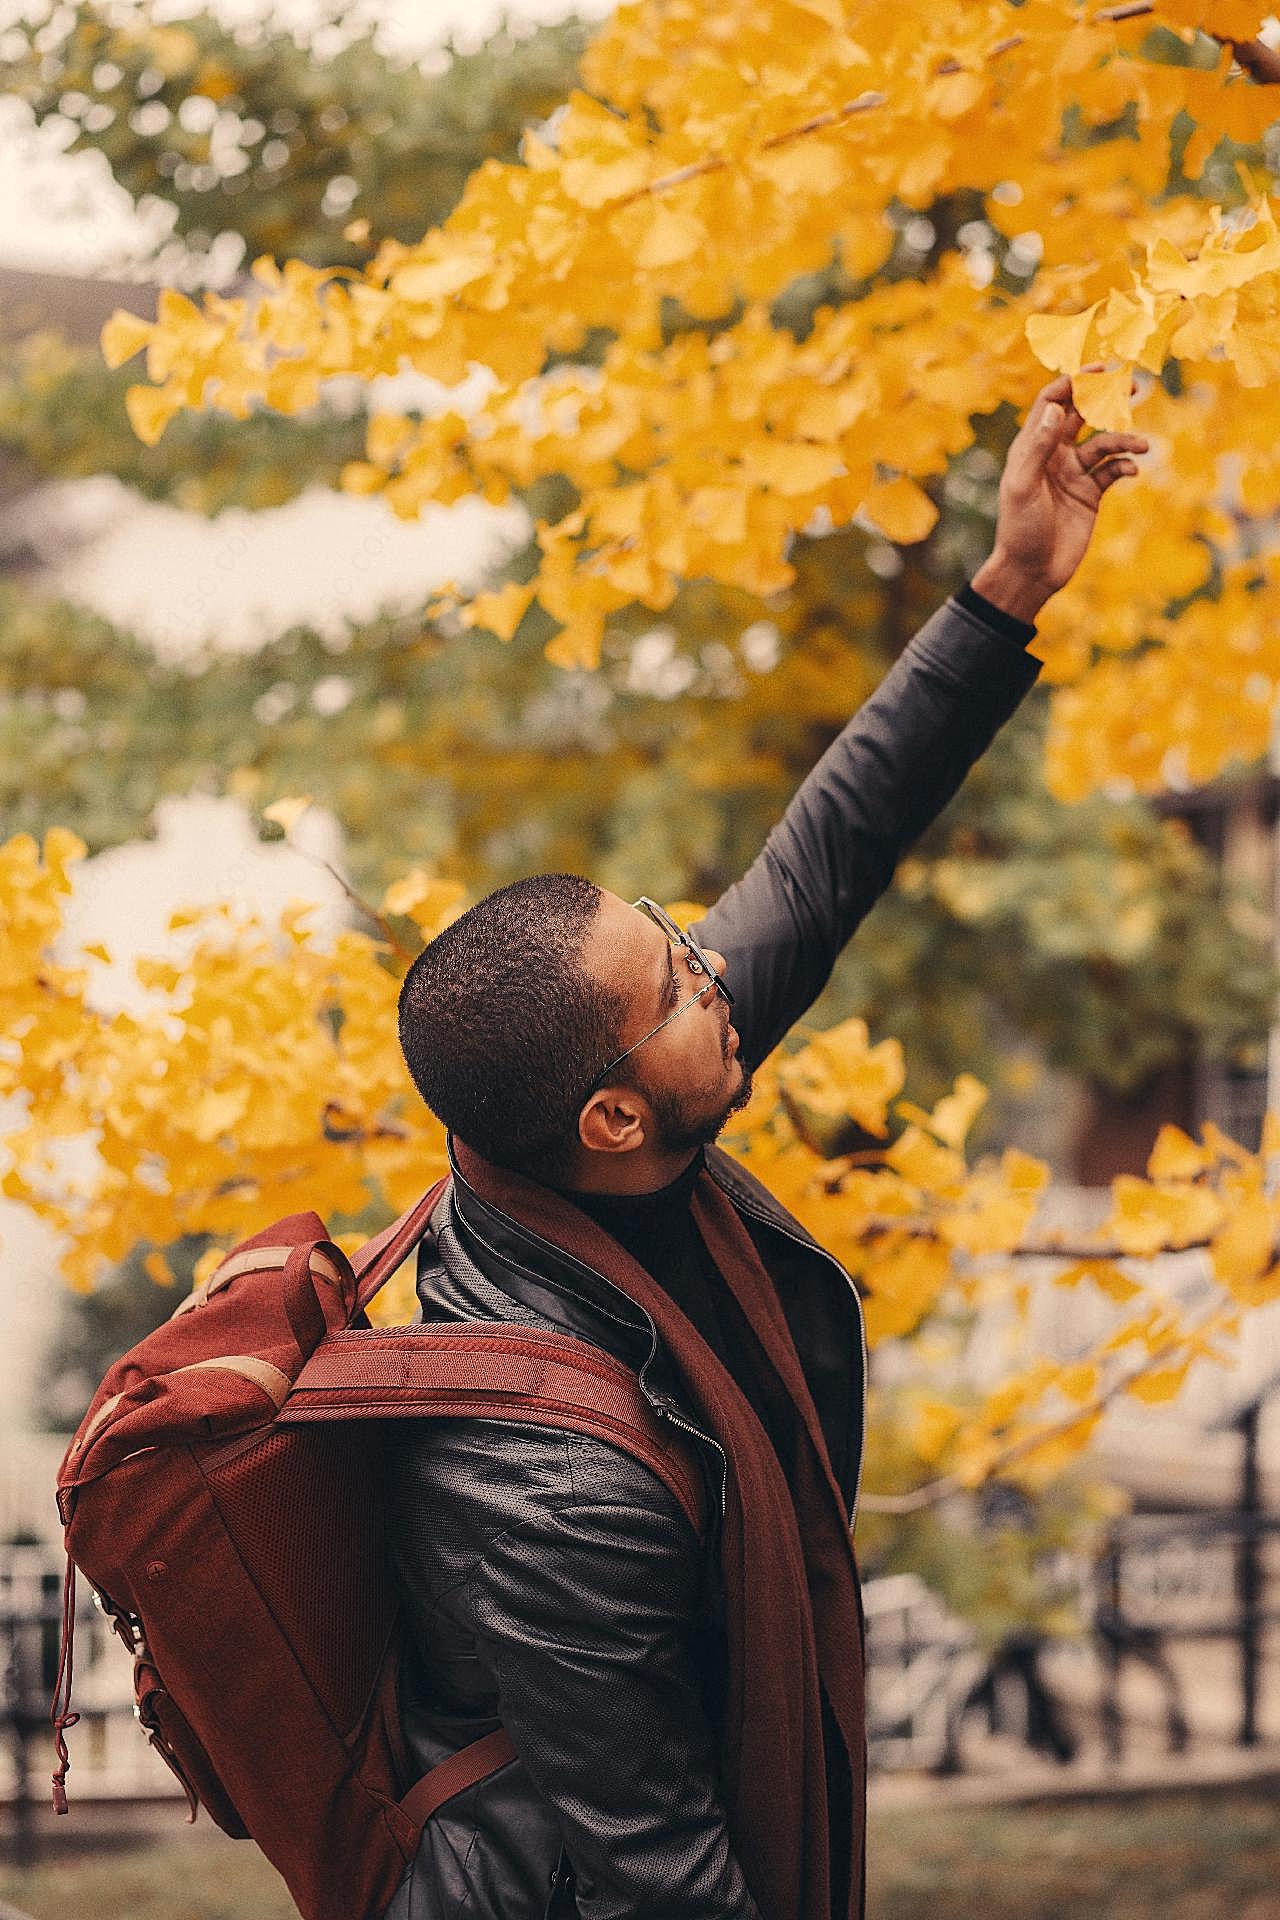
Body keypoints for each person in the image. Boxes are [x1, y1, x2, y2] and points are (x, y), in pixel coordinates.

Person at [381, 372, 1147, 1920]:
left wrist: (1008, 585)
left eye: (670, 930)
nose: (711, 967)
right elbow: (659, 1870)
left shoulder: (615, 1119)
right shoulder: (545, 1482)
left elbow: (828, 850)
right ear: (612, 1112)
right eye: (671, 977)